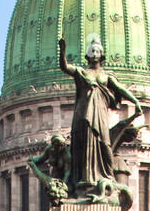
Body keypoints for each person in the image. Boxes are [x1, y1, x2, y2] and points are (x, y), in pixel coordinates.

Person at [57, 36, 143, 200]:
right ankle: (84, 182)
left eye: (97, 51)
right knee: (84, 147)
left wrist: (135, 101)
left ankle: (107, 176)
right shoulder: (82, 73)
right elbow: (65, 67)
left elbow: (121, 89)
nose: (95, 53)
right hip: (84, 116)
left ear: (102, 56)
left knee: (105, 144)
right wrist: (62, 51)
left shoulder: (106, 77)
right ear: (88, 56)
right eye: (92, 51)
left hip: (100, 117)